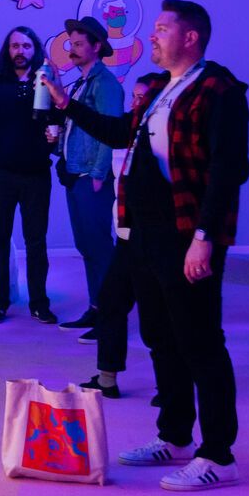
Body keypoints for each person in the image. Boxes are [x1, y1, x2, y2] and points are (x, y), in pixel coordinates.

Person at [45, 0, 249, 492]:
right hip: (145, 235)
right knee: (161, 337)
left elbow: (228, 170)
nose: (152, 36)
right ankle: (175, 436)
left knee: (200, 341)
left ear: (190, 38)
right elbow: (121, 132)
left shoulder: (218, 90)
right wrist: (67, 104)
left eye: (161, 29)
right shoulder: (158, 89)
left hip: (185, 235)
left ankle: (218, 455)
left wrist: (203, 238)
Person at [81, 71, 164, 401]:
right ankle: (107, 378)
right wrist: (64, 103)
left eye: (143, 97)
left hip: (151, 241)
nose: (135, 102)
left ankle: (168, 386)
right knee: (111, 301)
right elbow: (104, 128)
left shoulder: (159, 137)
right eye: (134, 96)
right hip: (126, 237)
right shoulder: (130, 130)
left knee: (155, 318)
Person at [0, 27, 58, 324]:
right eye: (15, 46)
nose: (20, 51)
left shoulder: (47, 85)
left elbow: (59, 123)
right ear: (7, 51)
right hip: (1, 175)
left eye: (26, 46)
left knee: (36, 241)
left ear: (35, 50)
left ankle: (39, 304)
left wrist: (50, 141)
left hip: (37, 175)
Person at [55, 17, 123, 333]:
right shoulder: (81, 83)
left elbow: (111, 131)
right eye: (72, 44)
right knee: (86, 245)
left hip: (91, 177)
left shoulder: (105, 84)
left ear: (97, 46)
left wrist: (98, 172)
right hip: (76, 174)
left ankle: (109, 315)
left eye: (80, 44)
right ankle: (97, 308)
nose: (73, 49)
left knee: (99, 246)